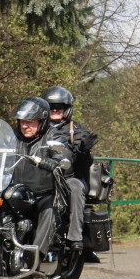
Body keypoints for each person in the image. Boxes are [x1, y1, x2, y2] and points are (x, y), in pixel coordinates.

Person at [11, 97, 73, 260]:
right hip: (15, 191)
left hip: (43, 193)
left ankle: (34, 257)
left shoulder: (53, 134)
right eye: (22, 121)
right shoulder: (14, 136)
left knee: (49, 210)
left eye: (30, 122)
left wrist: (55, 161)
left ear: (42, 121)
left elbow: (63, 153)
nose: (24, 126)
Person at [41, 85, 98, 251]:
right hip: (40, 176)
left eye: (60, 107)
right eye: (51, 106)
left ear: (67, 109)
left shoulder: (77, 130)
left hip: (67, 177)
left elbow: (85, 164)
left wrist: (83, 153)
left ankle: (75, 237)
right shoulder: (36, 127)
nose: (55, 110)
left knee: (75, 187)